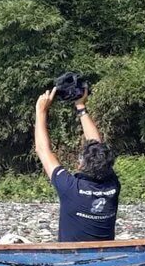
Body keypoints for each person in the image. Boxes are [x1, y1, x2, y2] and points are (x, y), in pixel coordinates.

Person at [34, 86, 119, 241]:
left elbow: (42, 150)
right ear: (107, 164)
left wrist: (41, 111)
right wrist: (81, 107)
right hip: (104, 259)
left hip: (70, 261)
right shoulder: (112, 186)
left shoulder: (71, 188)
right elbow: (97, 146)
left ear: (81, 165)